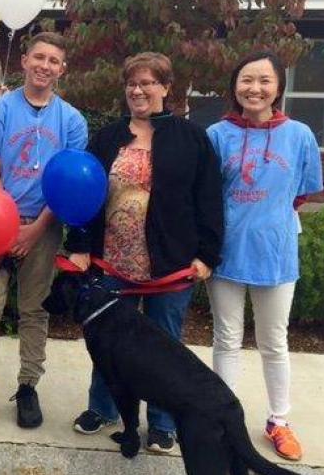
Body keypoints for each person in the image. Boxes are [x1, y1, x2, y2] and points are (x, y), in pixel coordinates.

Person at [65, 52, 223, 453]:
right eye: (132, 83)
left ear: (166, 88)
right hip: (112, 262)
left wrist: (207, 255)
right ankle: (103, 408)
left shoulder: (192, 139)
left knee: (163, 346)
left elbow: (209, 200)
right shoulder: (106, 138)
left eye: (148, 83)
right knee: (106, 340)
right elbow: (85, 196)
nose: (138, 90)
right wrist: (80, 245)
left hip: (169, 265)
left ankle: (163, 422)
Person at [0, 31, 88, 429]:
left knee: (35, 309)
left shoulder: (71, 120)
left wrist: (33, 230)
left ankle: (28, 386)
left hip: (44, 225)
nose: (44, 66)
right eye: (39, 57)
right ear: (25, 61)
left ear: (62, 69)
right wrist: (5, 224)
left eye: (53, 60)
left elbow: (69, 185)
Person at [206, 50, 323, 462]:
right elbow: (205, 193)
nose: (254, 88)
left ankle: (279, 420)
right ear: (235, 87)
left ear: (278, 88)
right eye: (246, 80)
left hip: (275, 255)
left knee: (274, 342)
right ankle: (225, 418)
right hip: (225, 254)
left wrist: (265, 221)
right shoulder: (217, 135)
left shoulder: (300, 136)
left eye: (264, 81)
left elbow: (301, 193)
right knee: (226, 339)